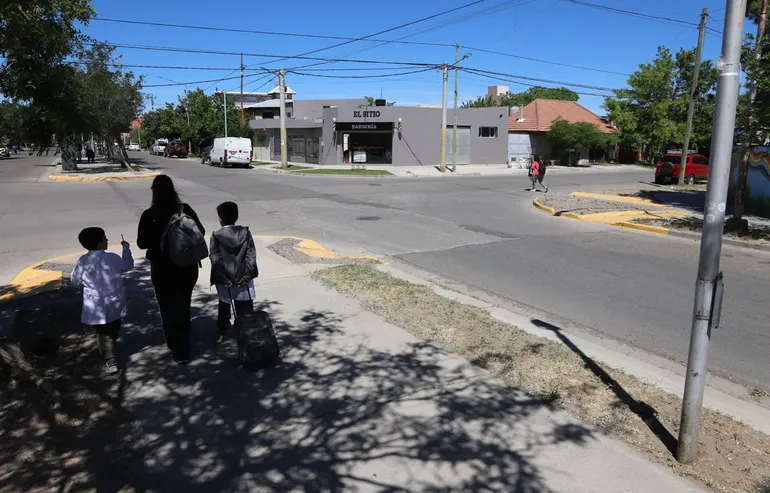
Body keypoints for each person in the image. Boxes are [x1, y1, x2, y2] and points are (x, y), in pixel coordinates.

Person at [137, 175, 205, 364]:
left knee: (167, 308)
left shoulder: (149, 214)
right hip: (187, 267)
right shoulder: (186, 210)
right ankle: (185, 341)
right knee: (184, 304)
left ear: (154, 192)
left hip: (162, 268)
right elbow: (201, 232)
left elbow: (142, 243)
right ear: (173, 190)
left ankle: (177, 348)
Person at [70, 227, 134, 374]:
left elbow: (75, 282)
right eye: (105, 238)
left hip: (95, 304)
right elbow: (128, 265)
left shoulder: (83, 261)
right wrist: (126, 248)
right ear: (99, 244)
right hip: (114, 301)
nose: (107, 240)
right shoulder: (113, 258)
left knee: (102, 331)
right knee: (112, 328)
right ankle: (110, 358)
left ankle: (108, 353)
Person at [209, 201, 258, 341]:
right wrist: (247, 276)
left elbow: (215, 259)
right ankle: (248, 333)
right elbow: (251, 256)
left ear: (220, 219)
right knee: (246, 308)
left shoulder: (216, 235)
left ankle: (223, 331)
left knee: (224, 305)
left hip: (226, 281)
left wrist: (224, 279)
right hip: (244, 278)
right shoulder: (245, 233)